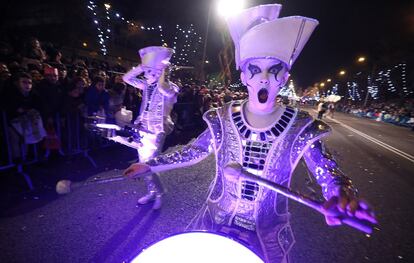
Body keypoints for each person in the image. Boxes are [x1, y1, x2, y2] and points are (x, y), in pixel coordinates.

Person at [124, 4, 376, 262]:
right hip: (214, 224)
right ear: (244, 76)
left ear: (284, 77)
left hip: (266, 236)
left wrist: (341, 194)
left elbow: (326, 169)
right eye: (255, 69)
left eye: (273, 69)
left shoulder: (299, 125)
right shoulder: (222, 116)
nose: (264, 78)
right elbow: (195, 151)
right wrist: (151, 165)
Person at [122, 46, 179, 210]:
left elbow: (163, 88)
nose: (150, 76)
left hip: (157, 130)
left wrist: (162, 72)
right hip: (142, 128)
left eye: (154, 73)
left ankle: (160, 193)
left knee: (150, 165)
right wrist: (141, 67)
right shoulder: (146, 85)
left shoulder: (171, 87)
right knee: (142, 163)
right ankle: (152, 192)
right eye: (148, 73)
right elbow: (126, 78)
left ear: (162, 73)